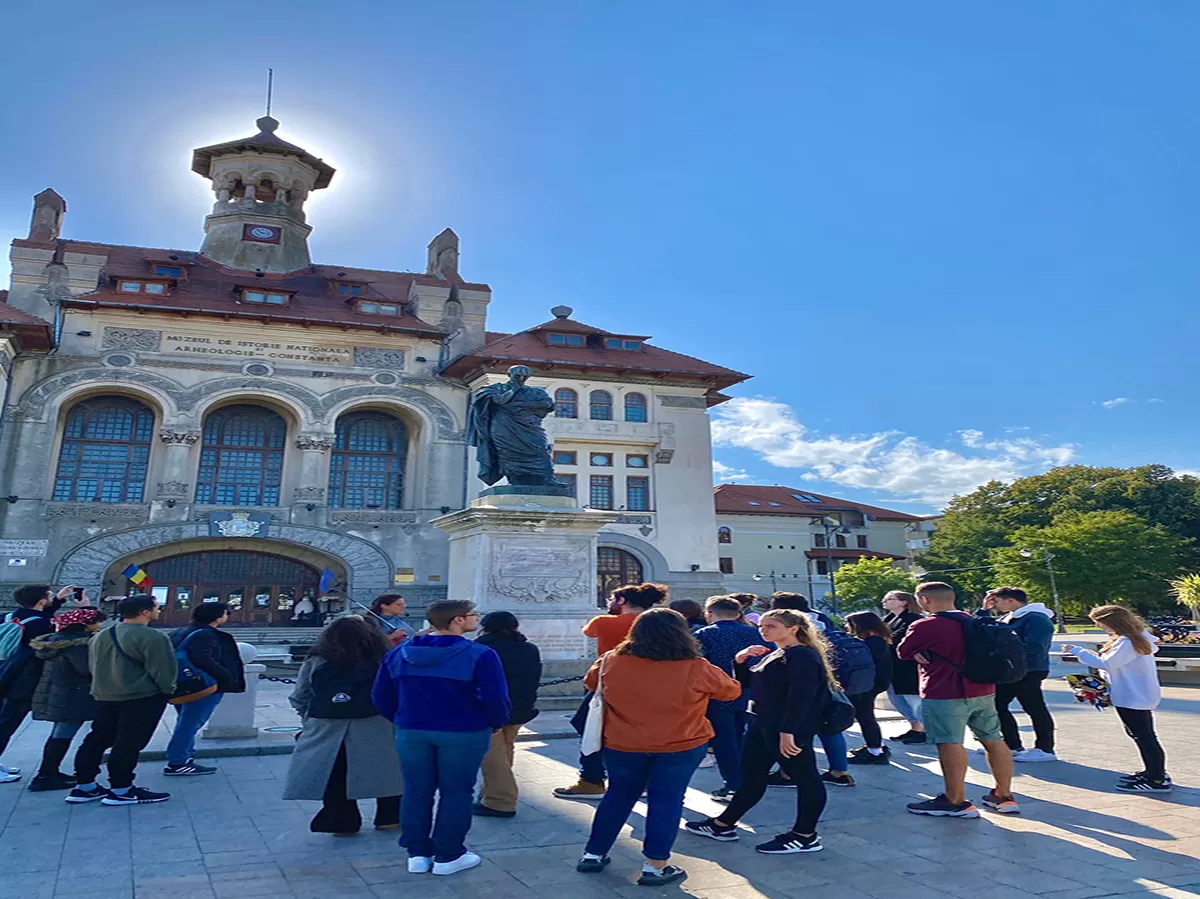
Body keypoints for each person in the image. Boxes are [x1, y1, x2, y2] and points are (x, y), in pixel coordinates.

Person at [576, 608, 740, 885]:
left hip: (623, 742)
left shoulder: (611, 662)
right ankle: (655, 864)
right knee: (666, 800)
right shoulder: (696, 666)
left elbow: (591, 683)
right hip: (681, 742)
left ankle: (593, 854)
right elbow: (730, 691)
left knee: (618, 796)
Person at [372, 599, 511, 877]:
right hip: (463, 730)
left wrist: (401, 718)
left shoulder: (399, 653)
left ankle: (417, 854)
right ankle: (449, 855)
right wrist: (496, 722)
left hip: (412, 730)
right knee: (457, 791)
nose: (476, 619)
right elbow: (496, 697)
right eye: (472, 615)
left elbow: (380, 695)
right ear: (457, 620)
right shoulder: (480, 654)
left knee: (416, 790)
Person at [685, 609, 834, 855]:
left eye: (771, 626)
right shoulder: (778, 652)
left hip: (787, 727)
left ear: (793, 628)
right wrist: (740, 661)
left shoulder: (802, 656)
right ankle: (723, 824)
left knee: (806, 778)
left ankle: (805, 835)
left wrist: (788, 732)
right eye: (762, 625)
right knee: (752, 777)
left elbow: (802, 697)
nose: (763, 630)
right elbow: (750, 685)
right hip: (762, 723)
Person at [896, 582, 1017, 817]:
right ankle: (1004, 795)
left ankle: (955, 800)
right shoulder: (974, 620)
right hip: (983, 689)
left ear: (925, 600)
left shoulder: (926, 625)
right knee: (993, 739)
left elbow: (903, 651)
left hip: (944, 691)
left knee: (949, 742)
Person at [283, 616, 403, 834]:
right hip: (377, 723)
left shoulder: (317, 660)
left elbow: (299, 696)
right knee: (388, 772)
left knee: (334, 774)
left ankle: (342, 822)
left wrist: (310, 720)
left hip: (326, 725)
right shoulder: (383, 658)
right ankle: (389, 818)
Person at [556, 582, 666, 800]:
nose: (608, 602)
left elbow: (588, 631)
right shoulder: (660, 622)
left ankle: (592, 779)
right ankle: (642, 781)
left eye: (612, 598)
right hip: (652, 685)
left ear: (622, 600)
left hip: (610, 683)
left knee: (589, 727)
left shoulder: (604, 621)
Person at [68, 594, 176, 806]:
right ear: (145, 612)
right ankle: (121, 789)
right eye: (156, 607)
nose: (159, 610)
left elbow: (93, 666)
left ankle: (85, 785)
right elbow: (163, 670)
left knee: (97, 739)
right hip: (140, 696)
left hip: (104, 695)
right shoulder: (153, 637)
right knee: (129, 743)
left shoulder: (101, 635)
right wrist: (168, 691)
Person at [1064, 606, 1169, 792]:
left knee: (1144, 736)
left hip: (1132, 696)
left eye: (1099, 622)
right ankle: (1153, 772)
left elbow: (1107, 664)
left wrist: (1078, 651)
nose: (1098, 626)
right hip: (1134, 694)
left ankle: (1157, 778)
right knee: (1141, 734)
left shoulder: (1128, 642)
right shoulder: (1133, 639)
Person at [0, 584, 79, 782]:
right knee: (7, 723)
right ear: (42, 601)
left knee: (3, 721)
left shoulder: (9, 617)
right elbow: (47, 633)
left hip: (5, 673)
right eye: (51, 596)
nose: (52, 599)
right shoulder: (43, 624)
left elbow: (35, 618)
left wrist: (59, 600)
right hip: (23, 681)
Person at [694, 596, 768, 800]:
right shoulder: (755, 633)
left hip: (718, 694)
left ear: (709, 613)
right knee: (740, 738)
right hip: (750, 693)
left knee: (724, 741)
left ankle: (734, 784)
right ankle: (747, 779)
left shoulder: (703, 634)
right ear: (738, 614)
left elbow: (698, 665)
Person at [27, 608, 107, 791]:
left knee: (58, 733)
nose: (99, 625)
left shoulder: (56, 641)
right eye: (96, 621)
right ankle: (46, 775)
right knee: (64, 734)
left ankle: (49, 772)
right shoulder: (77, 645)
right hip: (73, 694)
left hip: (56, 690)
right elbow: (86, 669)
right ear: (84, 625)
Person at [163, 602, 246, 776]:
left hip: (182, 682)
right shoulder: (207, 635)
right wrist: (224, 675)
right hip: (202, 685)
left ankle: (185, 756)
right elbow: (202, 657)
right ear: (217, 617)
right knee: (191, 722)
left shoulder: (180, 632)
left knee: (185, 720)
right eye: (226, 613)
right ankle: (177, 762)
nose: (227, 615)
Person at [474, 611, 542, 818]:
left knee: (492, 756)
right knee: (505, 750)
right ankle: (490, 791)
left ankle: (501, 801)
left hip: (490, 709)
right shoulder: (529, 648)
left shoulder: (482, 648)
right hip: (520, 707)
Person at [986, 586, 1056, 763]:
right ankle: (1012, 744)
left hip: (1030, 669)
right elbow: (984, 630)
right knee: (997, 704)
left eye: (998, 601)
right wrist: (984, 611)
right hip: (1010, 670)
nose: (996, 605)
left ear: (1011, 600)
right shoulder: (1010, 617)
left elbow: (1034, 645)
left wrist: (1000, 652)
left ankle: (1045, 748)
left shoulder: (1036, 618)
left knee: (1034, 707)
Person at [844, 611, 894, 765]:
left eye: (850, 625)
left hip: (867, 684)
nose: (848, 628)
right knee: (866, 716)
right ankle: (875, 746)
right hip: (874, 682)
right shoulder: (879, 640)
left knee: (866, 718)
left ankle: (875, 750)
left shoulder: (871, 643)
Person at [881, 591, 925, 744]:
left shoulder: (913, 620)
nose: (884, 601)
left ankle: (924, 730)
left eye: (889, 599)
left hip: (908, 667)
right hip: (893, 666)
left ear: (904, 602)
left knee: (913, 701)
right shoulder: (888, 619)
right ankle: (915, 727)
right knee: (898, 700)